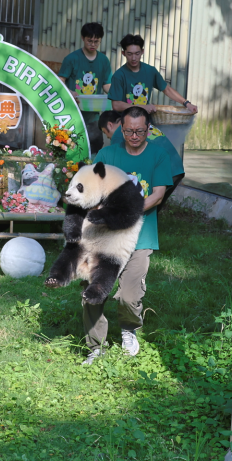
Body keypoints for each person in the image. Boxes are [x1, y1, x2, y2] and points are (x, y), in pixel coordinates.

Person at [83, 106, 172, 365]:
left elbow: (158, 195)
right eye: (129, 131)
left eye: (140, 131)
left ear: (148, 129)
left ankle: (129, 329)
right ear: (121, 129)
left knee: (130, 298)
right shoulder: (107, 154)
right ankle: (95, 346)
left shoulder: (158, 155)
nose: (134, 136)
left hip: (140, 238)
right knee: (92, 292)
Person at [98, 110, 184, 211]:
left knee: (148, 200)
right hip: (176, 167)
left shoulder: (119, 134)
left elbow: (119, 166)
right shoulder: (141, 124)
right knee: (152, 202)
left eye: (105, 132)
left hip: (165, 168)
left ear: (110, 125)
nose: (107, 136)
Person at [108, 34, 198, 116]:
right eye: (130, 54)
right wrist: (142, 107)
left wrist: (187, 104)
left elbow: (167, 89)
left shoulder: (150, 71)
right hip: (124, 122)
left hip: (145, 121)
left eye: (137, 53)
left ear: (142, 52)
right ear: (123, 53)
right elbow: (116, 105)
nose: (134, 58)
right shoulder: (119, 75)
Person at [58, 22, 113, 155]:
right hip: (72, 113)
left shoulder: (104, 61)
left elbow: (106, 84)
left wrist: (117, 96)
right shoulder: (72, 58)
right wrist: (70, 92)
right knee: (70, 148)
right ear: (82, 38)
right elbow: (60, 80)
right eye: (89, 41)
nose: (93, 44)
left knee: (95, 145)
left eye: (96, 41)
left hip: (93, 115)